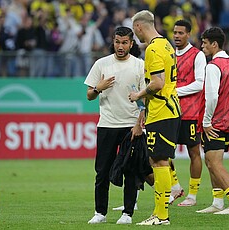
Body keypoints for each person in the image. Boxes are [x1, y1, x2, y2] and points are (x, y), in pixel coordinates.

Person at [85, 26, 146, 225]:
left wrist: (139, 124)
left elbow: (145, 100)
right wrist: (98, 87)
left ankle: (127, 213)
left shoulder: (139, 65)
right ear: (113, 41)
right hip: (107, 124)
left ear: (131, 43)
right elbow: (89, 96)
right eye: (117, 42)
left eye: (124, 43)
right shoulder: (101, 64)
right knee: (102, 170)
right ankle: (100, 212)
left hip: (131, 125)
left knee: (130, 170)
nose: (120, 46)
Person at [129, 10, 181, 226]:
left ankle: (161, 215)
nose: (136, 35)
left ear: (139, 26)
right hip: (169, 109)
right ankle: (161, 212)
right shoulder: (167, 44)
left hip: (162, 111)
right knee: (159, 160)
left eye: (135, 30)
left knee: (158, 161)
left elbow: (157, 83)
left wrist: (138, 95)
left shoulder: (152, 48)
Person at [196, 27, 229, 215]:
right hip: (228, 122)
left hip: (214, 122)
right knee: (211, 161)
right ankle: (217, 201)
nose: (202, 47)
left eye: (205, 43)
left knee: (214, 163)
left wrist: (207, 121)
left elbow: (212, 97)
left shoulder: (212, 66)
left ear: (214, 44)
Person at [170, 19, 206, 207]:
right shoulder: (168, 54)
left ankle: (192, 195)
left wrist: (175, 91)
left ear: (189, 34)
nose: (176, 36)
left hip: (190, 113)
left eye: (181, 33)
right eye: (175, 32)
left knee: (194, 152)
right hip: (169, 112)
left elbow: (200, 83)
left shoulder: (197, 55)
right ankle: (175, 186)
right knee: (163, 152)